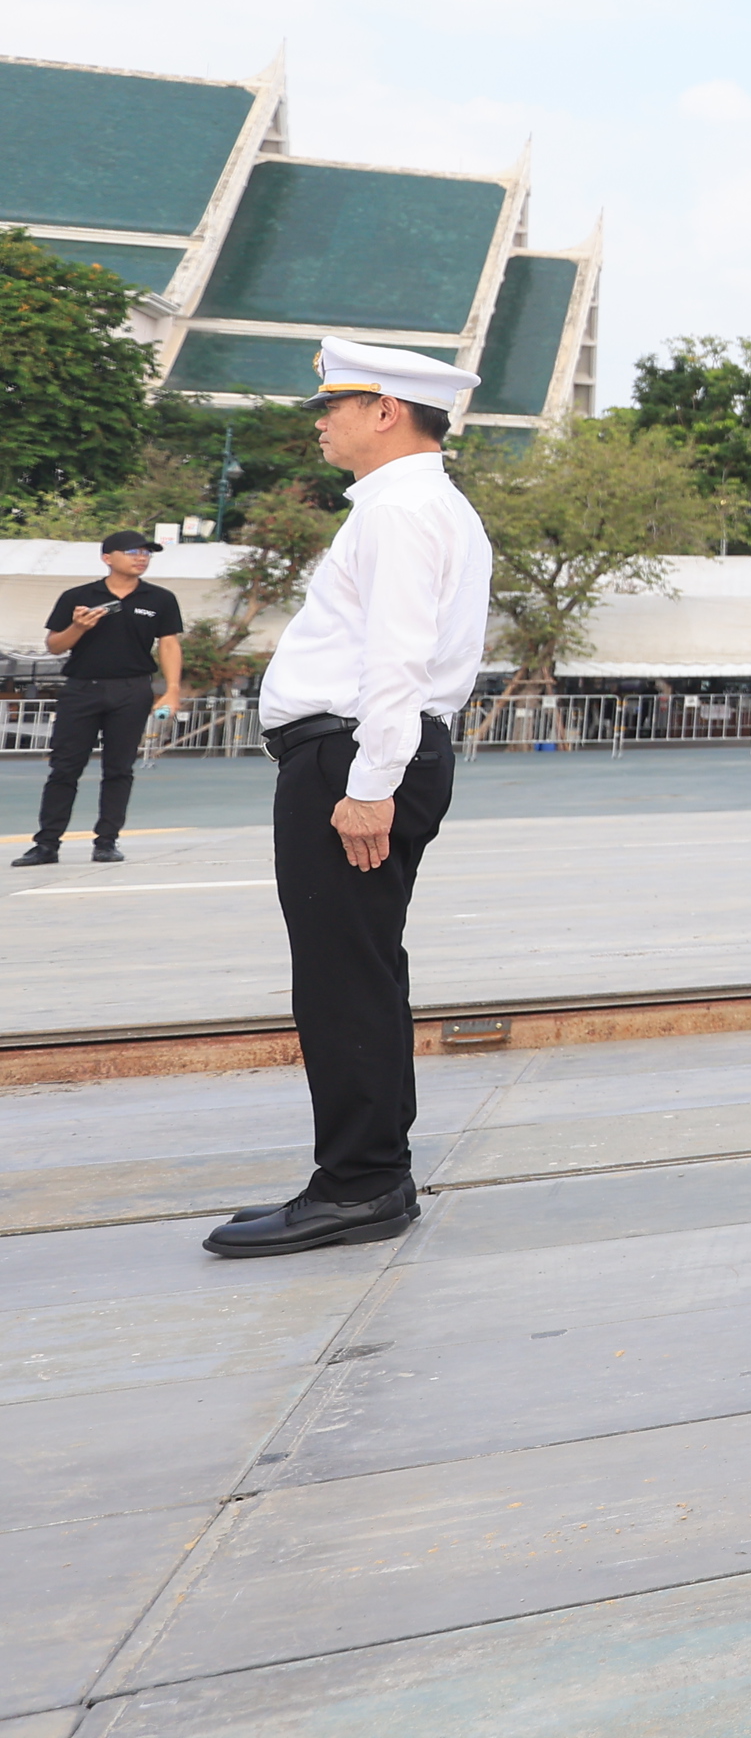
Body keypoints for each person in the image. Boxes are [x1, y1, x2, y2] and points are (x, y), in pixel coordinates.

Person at [205, 340, 492, 1259]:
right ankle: (371, 1176)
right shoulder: (409, 505)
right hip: (356, 755)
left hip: (355, 758)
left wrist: (368, 787)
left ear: (388, 412)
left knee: (342, 974)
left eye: (336, 404)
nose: (320, 419)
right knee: (360, 968)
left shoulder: (403, 510)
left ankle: (361, 1184)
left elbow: (396, 660)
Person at [24, 528, 183, 867]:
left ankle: (106, 842)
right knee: (64, 768)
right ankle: (47, 844)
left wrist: (171, 690)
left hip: (132, 689)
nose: (141, 557)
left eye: (146, 553)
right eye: (132, 552)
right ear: (107, 558)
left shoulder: (160, 599)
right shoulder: (78, 596)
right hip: (82, 688)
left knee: (119, 769)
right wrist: (79, 627)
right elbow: (54, 645)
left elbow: (169, 644)